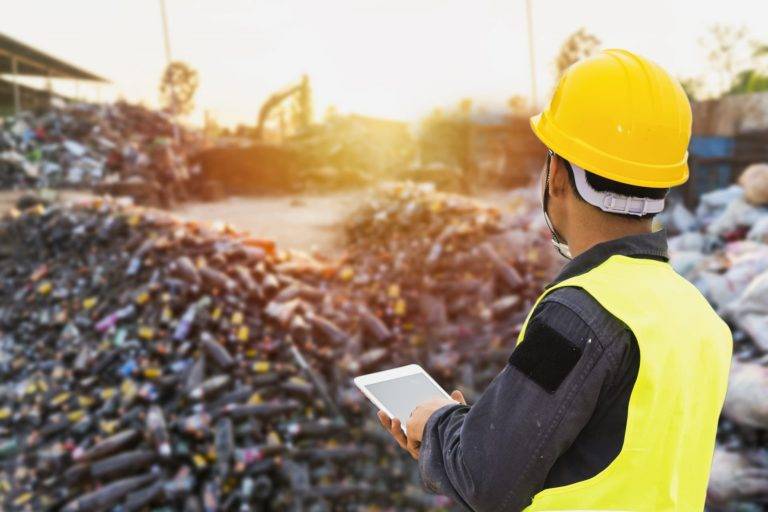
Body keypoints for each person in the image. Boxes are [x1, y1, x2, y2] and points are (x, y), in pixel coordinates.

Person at [377, 49, 733, 511]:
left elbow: (486, 480)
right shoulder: (697, 315)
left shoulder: (578, 315)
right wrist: (453, 439)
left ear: (558, 174)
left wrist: (437, 424)